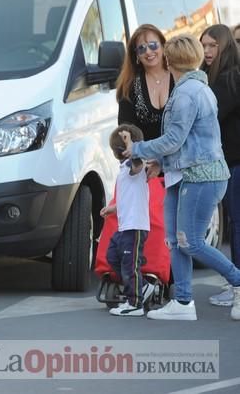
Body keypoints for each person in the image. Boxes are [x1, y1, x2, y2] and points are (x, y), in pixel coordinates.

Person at [121, 34, 240, 321]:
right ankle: (184, 302)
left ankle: (237, 281)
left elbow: (173, 139)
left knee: (191, 241)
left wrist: (136, 149)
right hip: (186, 174)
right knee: (176, 240)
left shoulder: (187, 93)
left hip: (200, 176)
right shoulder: (195, 88)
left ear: (168, 60)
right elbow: (184, 141)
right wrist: (160, 164)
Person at [199, 24, 240, 306]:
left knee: (237, 224)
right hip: (229, 161)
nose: (207, 51)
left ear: (224, 47)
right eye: (203, 45)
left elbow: (209, 116)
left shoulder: (229, 79)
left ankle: (237, 285)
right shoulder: (217, 77)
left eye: (213, 45)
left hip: (236, 161)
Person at [101, 124, 155, 316]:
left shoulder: (137, 167)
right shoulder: (124, 169)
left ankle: (135, 303)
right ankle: (144, 286)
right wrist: (112, 208)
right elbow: (127, 198)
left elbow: (137, 163)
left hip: (135, 226)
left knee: (129, 265)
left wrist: (129, 143)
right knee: (113, 256)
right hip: (125, 226)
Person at [116, 24, 173, 141]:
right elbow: (125, 131)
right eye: (141, 48)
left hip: (186, 157)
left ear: (163, 46)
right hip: (147, 157)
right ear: (136, 54)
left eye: (153, 45)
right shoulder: (128, 86)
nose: (148, 51)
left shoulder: (180, 77)